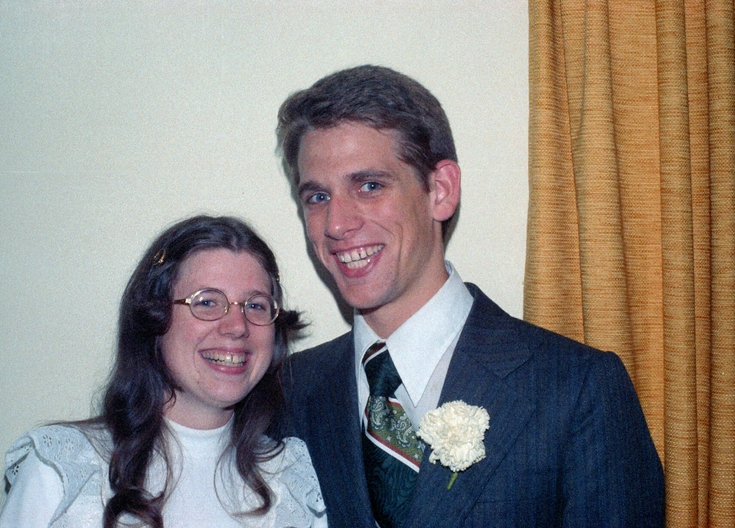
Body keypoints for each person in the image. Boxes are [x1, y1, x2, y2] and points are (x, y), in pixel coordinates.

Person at [275, 65, 664, 527]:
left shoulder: (576, 389)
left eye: (370, 186)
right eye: (317, 197)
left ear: (440, 191)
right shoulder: (285, 393)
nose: (336, 224)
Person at [0, 215, 327, 528]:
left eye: (255, 305)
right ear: (154, 318)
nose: (237, 326)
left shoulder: (292, 483)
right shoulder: (65, 470)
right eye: (207, 302)